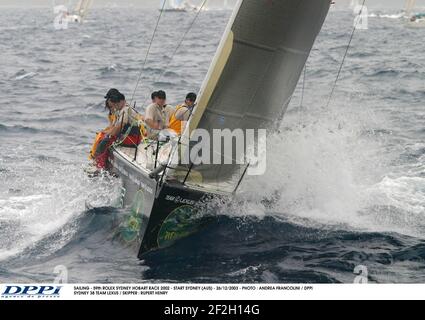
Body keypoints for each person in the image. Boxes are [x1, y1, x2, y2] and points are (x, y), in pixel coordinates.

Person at [94, 93, 142, 169]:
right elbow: (116, 127)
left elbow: (119, 127)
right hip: (127, 136)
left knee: (104, 142)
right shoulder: (122, 110)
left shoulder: (125, 110)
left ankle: (99, 166)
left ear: (122, 101)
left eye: (117, 104)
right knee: (104, 139)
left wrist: (109, 135)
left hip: (132, 138)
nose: (116, 106)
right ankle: (99, 163)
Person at [89, 88, 119, 160]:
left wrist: (106, 132)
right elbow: (112, 124)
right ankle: (93, 156)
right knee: (99, 135)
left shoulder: (118, 110)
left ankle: (95, 158)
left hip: (116, 132)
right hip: (113, 130)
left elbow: (115, 126)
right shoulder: (112, 111)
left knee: (101, 136)